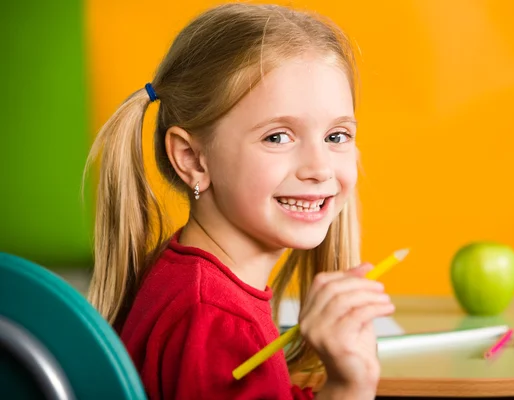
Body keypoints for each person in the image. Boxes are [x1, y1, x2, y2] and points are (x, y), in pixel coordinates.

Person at [84, 3, 395, 399]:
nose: (319, 168)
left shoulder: (191, 280)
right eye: (277, 137)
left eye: (336, 137)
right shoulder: (215, 320)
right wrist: (350, 386)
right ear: (192, 159)